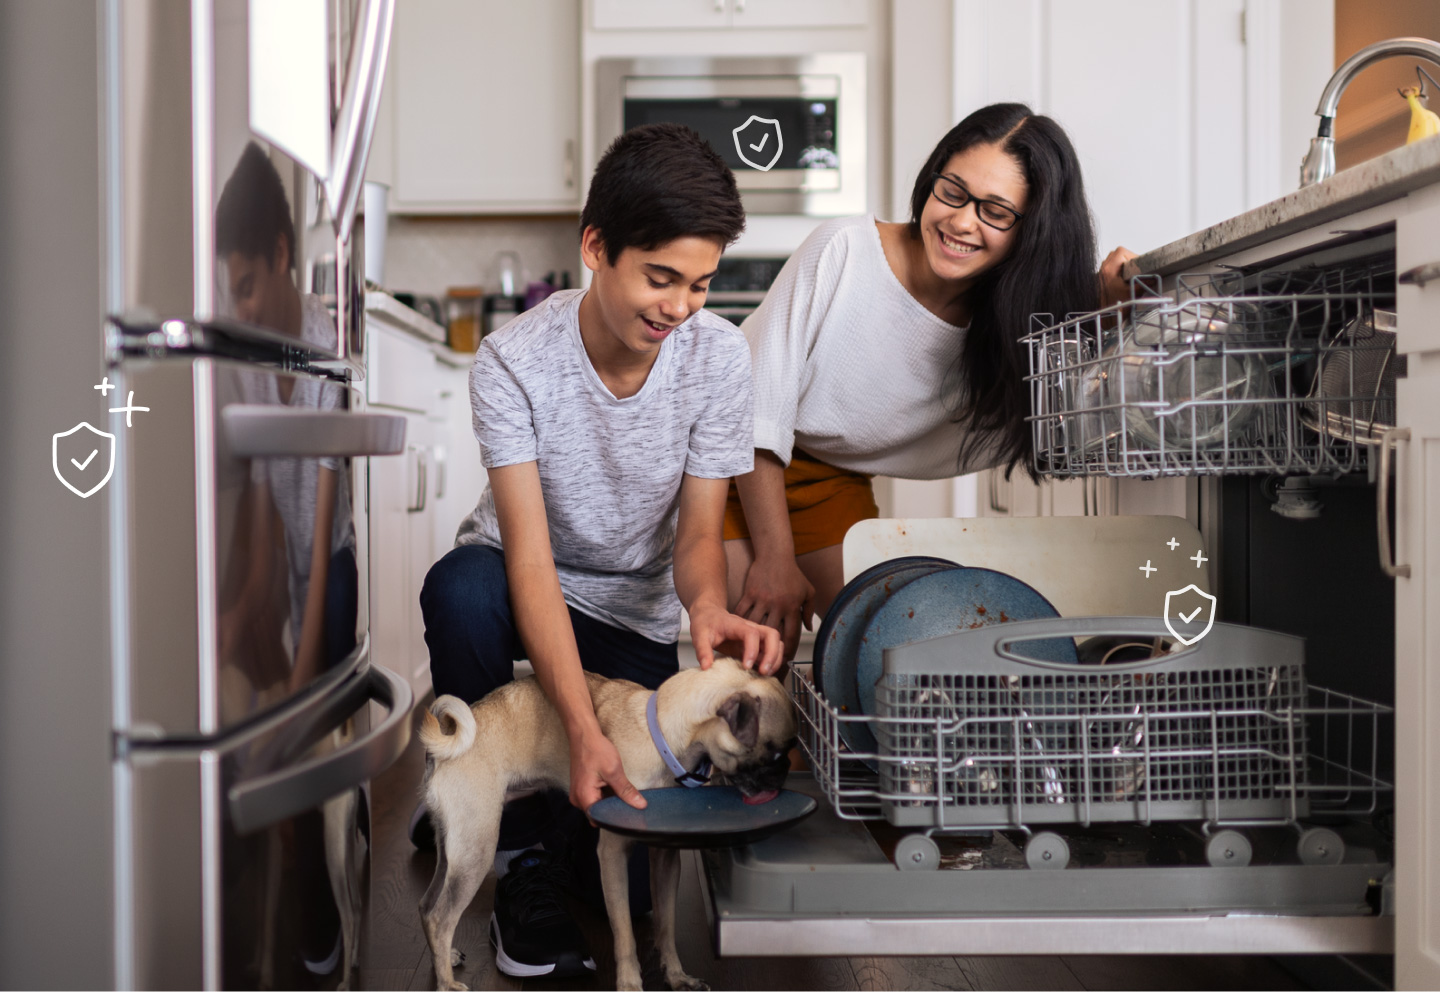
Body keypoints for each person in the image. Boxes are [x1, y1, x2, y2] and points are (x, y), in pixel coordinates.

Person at [417, 122, 782, 979]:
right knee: (459, 590)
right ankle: (508, 848)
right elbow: (530, 561)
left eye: (700, 283)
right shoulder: (512, 361)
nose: (681, 307)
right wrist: (583, 729)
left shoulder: (720, 358)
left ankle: (493, 801)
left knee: (630, 864)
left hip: (634, 607)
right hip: (518, 581)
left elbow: (697, 538)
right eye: (660, 277)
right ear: (595, 248)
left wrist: (704, 608)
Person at [724, 102, 1136, 659]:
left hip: (828, 479)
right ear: (932, 179)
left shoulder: (1016, 321)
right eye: (954, 192)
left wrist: (1108, 310)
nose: (963, 221)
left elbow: (1073, 387)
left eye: (995, 210)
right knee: (754, 664)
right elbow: (754, 415)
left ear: (1030, 230)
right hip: (731, 462)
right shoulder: (843, 251)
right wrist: (774, 560)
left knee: (892, 655)